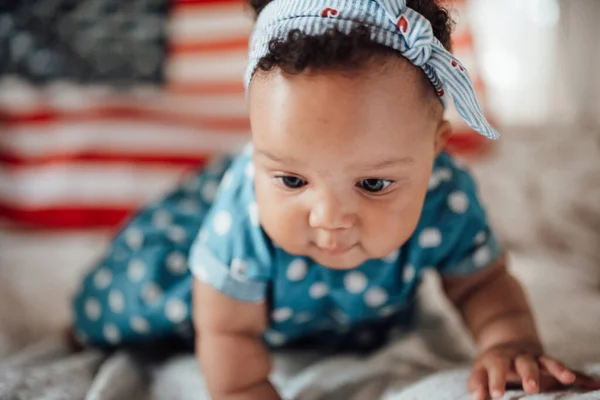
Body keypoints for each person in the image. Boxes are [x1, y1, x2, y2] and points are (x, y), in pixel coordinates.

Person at [72, 1, 600, 399]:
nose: (329, 219)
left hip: (348, 314)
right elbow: (227, 329)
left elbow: (482, 282)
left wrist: (507, 340)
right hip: (210, 285)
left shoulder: (447, 199)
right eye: (293, 180)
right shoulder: (245, 219)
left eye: (372, 184)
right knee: (137, 306)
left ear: (435, 151)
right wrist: (247, 389)